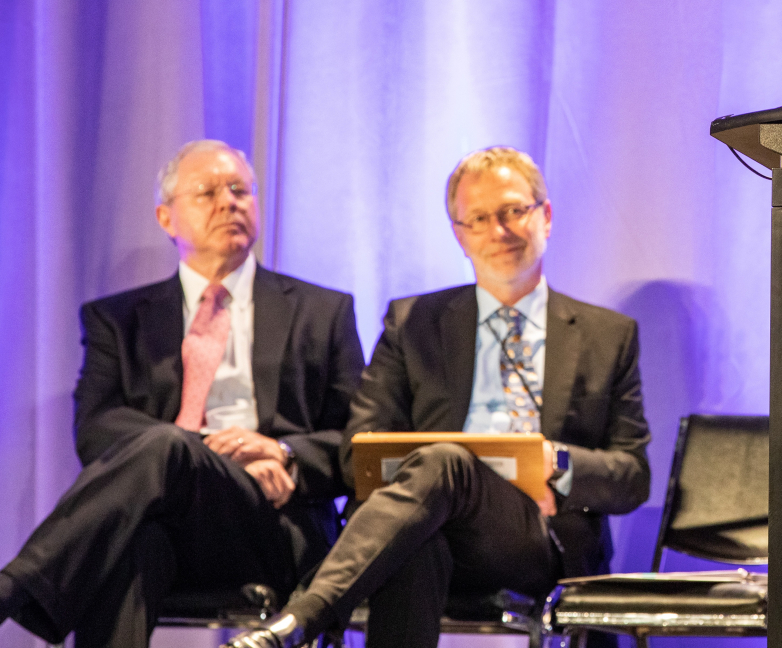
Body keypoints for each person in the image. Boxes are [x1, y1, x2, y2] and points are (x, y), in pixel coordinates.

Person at [229, 146, 651, 648]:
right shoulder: (413, 323)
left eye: (515, 210)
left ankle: (302, 620)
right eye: (479, 218)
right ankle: (302, 623)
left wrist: (555, 462)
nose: (500, 231)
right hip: (430, 523)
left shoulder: (608, 335)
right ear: (459, 234)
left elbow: (633, 475)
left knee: (444, 465)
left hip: (538, 536)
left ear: (547, 216)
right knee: (418, 531)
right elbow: (357, 449)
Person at [0, 140, 365, 646]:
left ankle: (13, 589)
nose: (229, 202)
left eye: (240, 190)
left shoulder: (322, 311)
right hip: (171, 515)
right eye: (208, 192)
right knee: (135, 541)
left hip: (272, 521)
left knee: (162, 458)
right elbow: (96, 429)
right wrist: (198, 450)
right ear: (166, 218)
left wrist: (285, 452)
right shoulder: (120, 319)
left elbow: (360, 438)